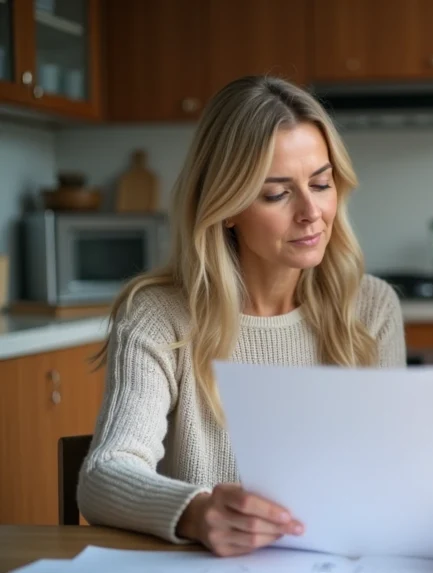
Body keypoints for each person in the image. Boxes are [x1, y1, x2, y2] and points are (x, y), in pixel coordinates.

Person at [78, 76, 406, 557]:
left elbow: (394, 473)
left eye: (321, 182)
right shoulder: (158, 315)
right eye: (277, 194)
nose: (312, 211)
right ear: (227, 207)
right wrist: (195, 512)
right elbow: (104, 476)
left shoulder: (371, 308)